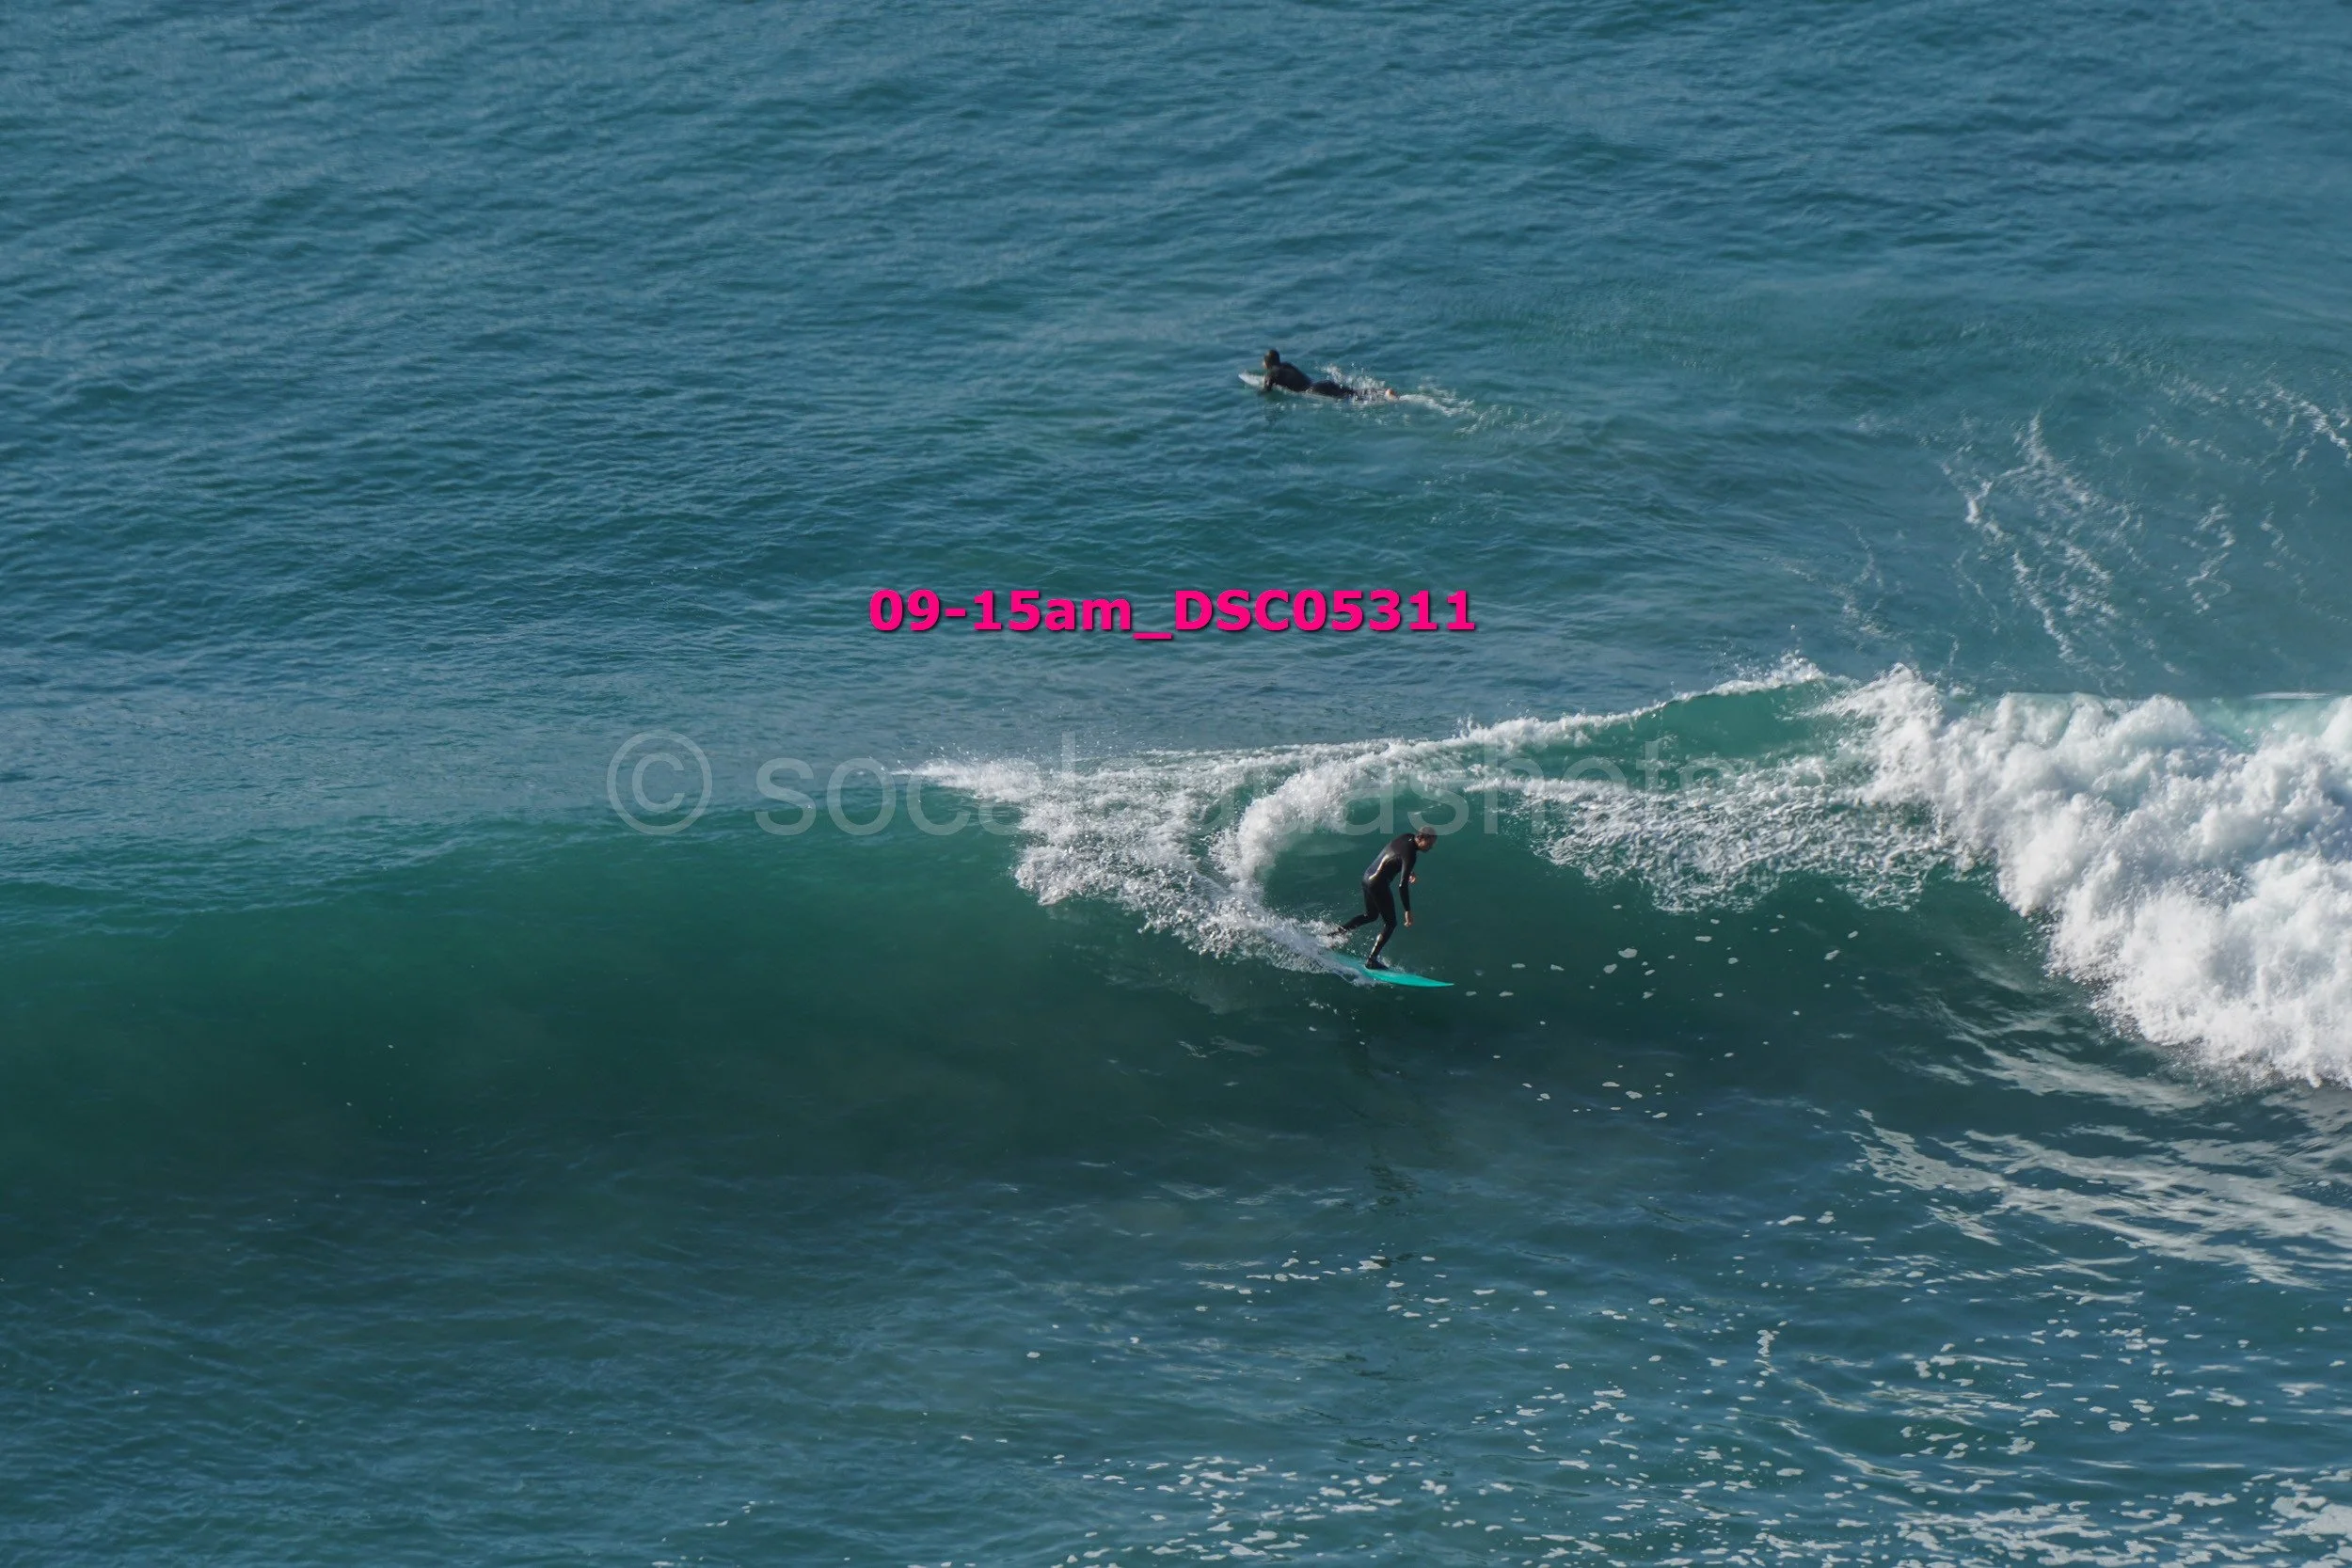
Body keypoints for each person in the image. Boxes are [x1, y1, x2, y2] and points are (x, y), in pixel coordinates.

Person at [1334, 828, 1437, 969]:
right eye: (1430, 843)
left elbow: (1395, 854)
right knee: (1391, 923)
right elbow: (1402, 886)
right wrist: (1408, 911)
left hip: (1367, 877)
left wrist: (1408, 870)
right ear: (1421, 838)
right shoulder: (1411, 855)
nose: (1431, 847)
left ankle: (1334, 935)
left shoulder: (1406, 836)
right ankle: (1371, 960)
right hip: (1378, 884)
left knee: (1370, 915)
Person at [1260, 348, 1390, 401]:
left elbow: (1267, 390)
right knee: (1354, 392)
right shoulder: (1287, 365)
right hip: (1321, 383)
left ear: (1266, 363)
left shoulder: (1271, 374)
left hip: (1313, 390)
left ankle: (1384, 397)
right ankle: (1384, 392)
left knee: (1351, 399)